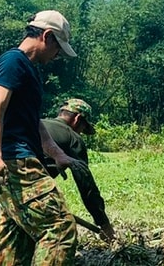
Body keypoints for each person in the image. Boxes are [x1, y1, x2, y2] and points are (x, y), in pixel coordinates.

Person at [0, 11, 82, 266]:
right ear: (47, 36)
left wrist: (55, 152)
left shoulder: (30, 70)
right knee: (60, 229)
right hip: (17, 163)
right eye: (58, 49)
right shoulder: (12, 62)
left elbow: (32, 120)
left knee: (14, 246)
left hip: (20, 160)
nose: (57, 56)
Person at [42, 98, 116, 242]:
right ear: (77, 119)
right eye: (83, 128)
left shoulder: (40, 124)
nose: (81, 133)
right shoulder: (73, 137)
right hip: (33, 189)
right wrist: (104, 223)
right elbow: (87, 186)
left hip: (7, 184)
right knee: (62, 231)